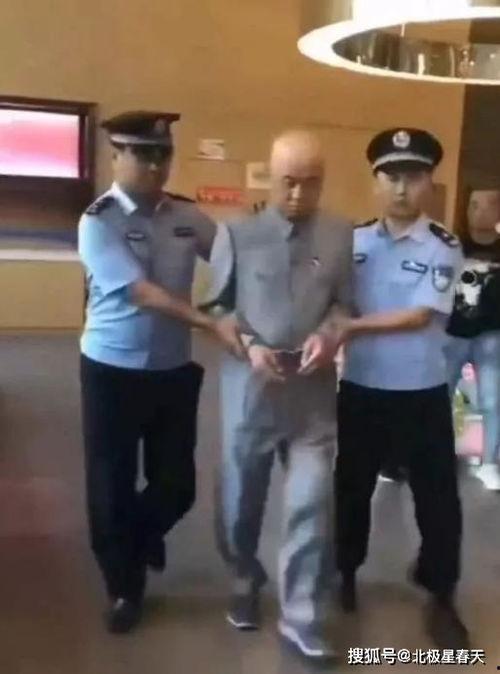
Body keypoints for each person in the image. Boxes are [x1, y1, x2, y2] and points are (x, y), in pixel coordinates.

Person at [78, 110, 243, 634]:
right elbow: (141, 292)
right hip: (111, 370)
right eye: (142, 154)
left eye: (162, 154)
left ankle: (142, 537)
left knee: (177, 485)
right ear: (116, 156)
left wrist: (233, 303)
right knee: (111, 486)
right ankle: (124, 588)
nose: (155, 165)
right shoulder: (98, 221)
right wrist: (209, 322)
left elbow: (232, 259)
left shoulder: (186, 215)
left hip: (171, 371)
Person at [203, 130, 352, 662]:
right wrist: (249, 345)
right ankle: (244, 576)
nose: (297, 194)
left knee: (311, 501)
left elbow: (344, 306)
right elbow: (217, 310)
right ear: (271, 176)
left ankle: (301, 616)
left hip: (312, 394)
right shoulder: (237, 235)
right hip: (252, 389)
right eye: (289, 182)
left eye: (311, 183)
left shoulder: (339, 235)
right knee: (241, 497)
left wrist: (330, 334)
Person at [334, 128, 469, 649]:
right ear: (375, 182)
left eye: (412, 177)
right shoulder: (353, 242)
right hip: (362, 387)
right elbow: (332, 299)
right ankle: (344, 572)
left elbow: (419, 315)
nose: (400, 188)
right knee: (351, 487)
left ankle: (441, 592)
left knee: (438, 499)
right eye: (390, 176)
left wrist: (349, 326)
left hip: (421, 390)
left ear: (429, 183)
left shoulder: (443, 246)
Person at [446, 188, 500, 490]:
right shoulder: (451, 247)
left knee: (492, 401)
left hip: (491, 337)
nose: (479, 211)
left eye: (488, 205)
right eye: (473, 205)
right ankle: (437, 455)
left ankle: (488, 463)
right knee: (439, 398)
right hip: (453, 334)